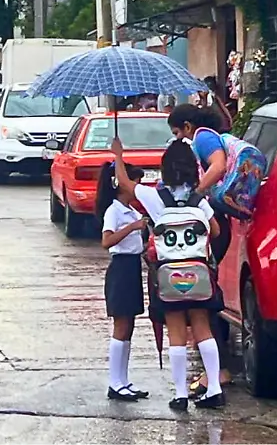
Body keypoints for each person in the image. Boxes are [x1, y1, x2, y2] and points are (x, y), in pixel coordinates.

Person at [112, 138, 225, 410]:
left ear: (165, 170)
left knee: (176, 331)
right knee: (202, 328)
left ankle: (180, 394)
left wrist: (118, 155)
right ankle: (214, 389)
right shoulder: (199, 200)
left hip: (168, 278)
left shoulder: (155, 197)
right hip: (198, 276)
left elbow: (126, 184)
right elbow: (217, 231)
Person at [166, 103, 234, 396]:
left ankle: (217, 373)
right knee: (205, 297)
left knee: (203, 298)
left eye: (177, 131)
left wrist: (195, 197)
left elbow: (218, 165)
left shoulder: (204, 138)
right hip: (213, 220)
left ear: (187, 126)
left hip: (212, 222)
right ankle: (217, 369)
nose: (178, 137)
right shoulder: (205, 136)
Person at [97, 161, 151, 402]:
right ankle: (114, 382)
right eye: (134, 181)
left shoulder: (132, 209)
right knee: (120, 326)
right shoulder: (114, 211)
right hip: (120, 267)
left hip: (132, 267)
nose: (136, 186)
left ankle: (124, 380)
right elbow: (107, 241)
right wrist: (133, 227)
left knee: (129, 326)